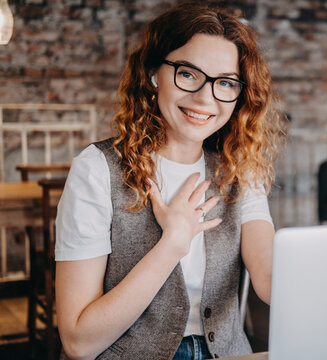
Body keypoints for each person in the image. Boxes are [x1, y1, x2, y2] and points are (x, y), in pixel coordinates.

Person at [54, 2, 284, 359]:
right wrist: (172, 244)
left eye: (225, 83)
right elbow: (79, 342)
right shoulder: (97, 170)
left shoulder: (241, 169)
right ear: (153, 74)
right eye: (188, 73)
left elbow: (269, 278)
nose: (206, 97)